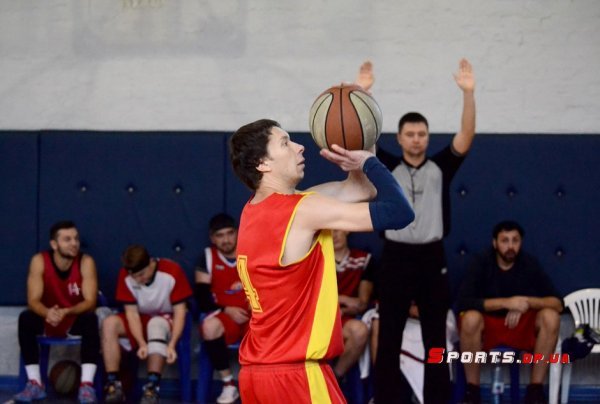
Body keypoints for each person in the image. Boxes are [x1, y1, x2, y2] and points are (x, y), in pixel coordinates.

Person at [228, 65, 415, 402]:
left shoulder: (254, 210)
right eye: (285, 143)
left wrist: (364, 130)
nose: (300, 147)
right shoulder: (304, 210)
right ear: (263, 164)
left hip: (256, 374)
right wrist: (369, 163)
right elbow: (400, 212)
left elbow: (359, 189)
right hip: (295, 375)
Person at [375, 58, 476, 403]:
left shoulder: (440, 167)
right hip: (395, 257)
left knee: (436, 339)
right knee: (389, 335)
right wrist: (364, 92)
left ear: (428, 137)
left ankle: (437, 399)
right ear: (399, 138)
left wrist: (468, 94)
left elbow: (466, 137)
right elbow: (361, 141)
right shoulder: (386, 166)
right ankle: (386, 399)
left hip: (432, 258)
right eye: (410, 134)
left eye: (422, 134)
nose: (416, 139)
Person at [457, 221, 562, 404]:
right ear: (495, 243)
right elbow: (463, 302)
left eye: (515, 240)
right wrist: (507, 302)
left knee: (551, 317)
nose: (510, 246)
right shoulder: (481, 262)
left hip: (519, 325)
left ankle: (535, 391)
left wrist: (526, 302)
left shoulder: (529, 263)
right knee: (470, 318)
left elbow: (558, 303)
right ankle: (472, 391)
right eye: (505, 240)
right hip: (488, 325)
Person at [14, 220, 100, 404]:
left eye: (76, 238)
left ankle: (86, 385)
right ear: (54, 244)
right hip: (48, 318)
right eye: (67, 239)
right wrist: (47, 313)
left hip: (73, 318)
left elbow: (90, 302)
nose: (74, 243)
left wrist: (66, 311)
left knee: (91, 319)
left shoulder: (85, 262)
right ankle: (35, 383)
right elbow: (33, 300)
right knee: (25, 318)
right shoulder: (39, 261)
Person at [101, 245, 192, 404]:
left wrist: (172, 344)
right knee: (109, 323)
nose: (138, 280)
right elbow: (131, 313)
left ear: (151, 263)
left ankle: (152, 387)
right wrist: (142, 343)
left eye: (141, 274)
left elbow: (180, 312)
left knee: (156, 324)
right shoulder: (126, 276)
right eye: (134, 276)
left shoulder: (172, 271)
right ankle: (113, 384)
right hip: (140, 318)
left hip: (165, 318)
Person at [195, 213, 249, 404]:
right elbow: (202, 298)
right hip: (226, 315)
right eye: (220, 235)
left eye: (230, 233)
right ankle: (228, 385)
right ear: (212, 238)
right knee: (209, 326)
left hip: (254, 316)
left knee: (271, 329)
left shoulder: (250, 251)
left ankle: (257, 384)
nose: (226, 240)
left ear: (237, 233)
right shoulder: (208, 257)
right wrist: (227, 309)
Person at [331, 230, 376, 383]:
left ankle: (336, 378)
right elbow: (313, 297)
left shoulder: (363, 259)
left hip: (343, 319)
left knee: (359, 331)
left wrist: (342, 308)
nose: (334, 235)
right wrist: (343, 299)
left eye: (337, 230)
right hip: (317, 319)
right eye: (328, 232)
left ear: (346, 230)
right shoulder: (317, 259)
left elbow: (361, 303)